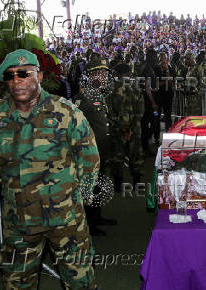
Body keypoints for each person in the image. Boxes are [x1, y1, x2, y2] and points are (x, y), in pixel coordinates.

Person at [0, 49, 99, 288]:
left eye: (25, 74)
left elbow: (89, 160)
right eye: (11, 75)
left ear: (39, 75)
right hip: (19, 223)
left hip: (66, 220)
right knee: (16, 284)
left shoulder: (66, 112)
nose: (17, 81)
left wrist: (77, 199)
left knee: (80, 283)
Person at [74, 55, 118, 236]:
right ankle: (89, 224)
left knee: (99, 183)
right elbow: (76, 125)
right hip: (90, 151)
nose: (103, 77)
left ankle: (97, 216)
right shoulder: (82, 97)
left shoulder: (99, 94)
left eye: (105, 73)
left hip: (102, 148)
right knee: (90, 186)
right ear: (90, 76)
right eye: (99, 73)